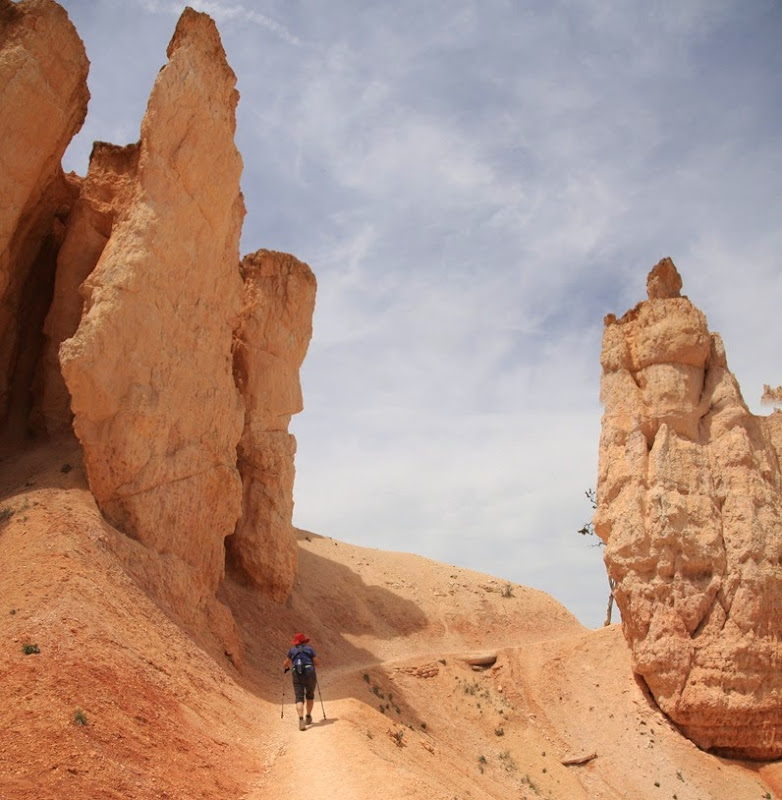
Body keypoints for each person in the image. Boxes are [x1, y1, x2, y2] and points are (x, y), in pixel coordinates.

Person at [283, 632, 321, 730]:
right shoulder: (309, 649)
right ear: (304, 641)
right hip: (310, 673)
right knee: (310, 696)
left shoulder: (292, 651)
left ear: (296, 642)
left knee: (299, 697)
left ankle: (301, 719)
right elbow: (317, 663)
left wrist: (287, 666)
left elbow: (286, 664)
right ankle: (308, 716)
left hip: (297, 674)